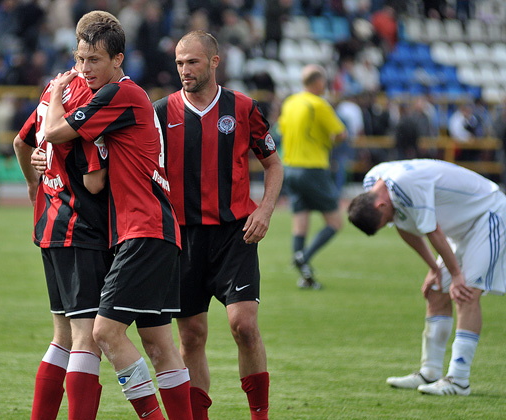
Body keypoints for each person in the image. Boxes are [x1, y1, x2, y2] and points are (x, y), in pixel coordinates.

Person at [42, 11, 192, 420]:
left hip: (142, 230)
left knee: (103, 332)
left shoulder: (116, 95)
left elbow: (54, 133)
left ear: (118, 60)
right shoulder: (125, 99)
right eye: (80, 60)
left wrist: (55, 92)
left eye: (94, 60)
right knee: (161, 344)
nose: (85, 69)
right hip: (157, 229)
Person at [153, 30, 284, 420]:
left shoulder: (243, 108)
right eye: (179, 63)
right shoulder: (160, 112)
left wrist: (263, 211)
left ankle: (259, 414)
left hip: (234, 234)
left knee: (243, 325)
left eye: (192, 62)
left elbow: (273, 165)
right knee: (191, 336)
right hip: (182, 237)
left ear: (214, 61)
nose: (184, 70)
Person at [348, 159, 506, 396]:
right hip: (462, 228)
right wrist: (435, 268)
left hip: (488, 214)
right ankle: (430, 371)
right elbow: (403, 224)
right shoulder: (374, 182)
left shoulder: (405, 184)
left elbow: (432, 230)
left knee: (466, 292)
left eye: (386, 220)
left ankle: (459, 380)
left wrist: (455, 275)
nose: (390, 221)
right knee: (436, 291)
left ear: (380, 205)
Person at [13, 66, 112, 419]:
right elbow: (95, 180)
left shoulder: (55, 87)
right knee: (87, 339)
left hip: (50, 224)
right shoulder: (92, 97)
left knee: (63, 337)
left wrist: (32, 183)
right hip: (79, 227)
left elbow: (20, 142)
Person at [277, 64, 347, 289]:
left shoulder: (290, 102)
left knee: (300, 220)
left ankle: (306, 276)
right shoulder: (319, 104)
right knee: (335, 222)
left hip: (290, 167)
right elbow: (340, 133)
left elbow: (282, 130)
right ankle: (304, 256)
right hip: (313, 167)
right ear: (318, 83)